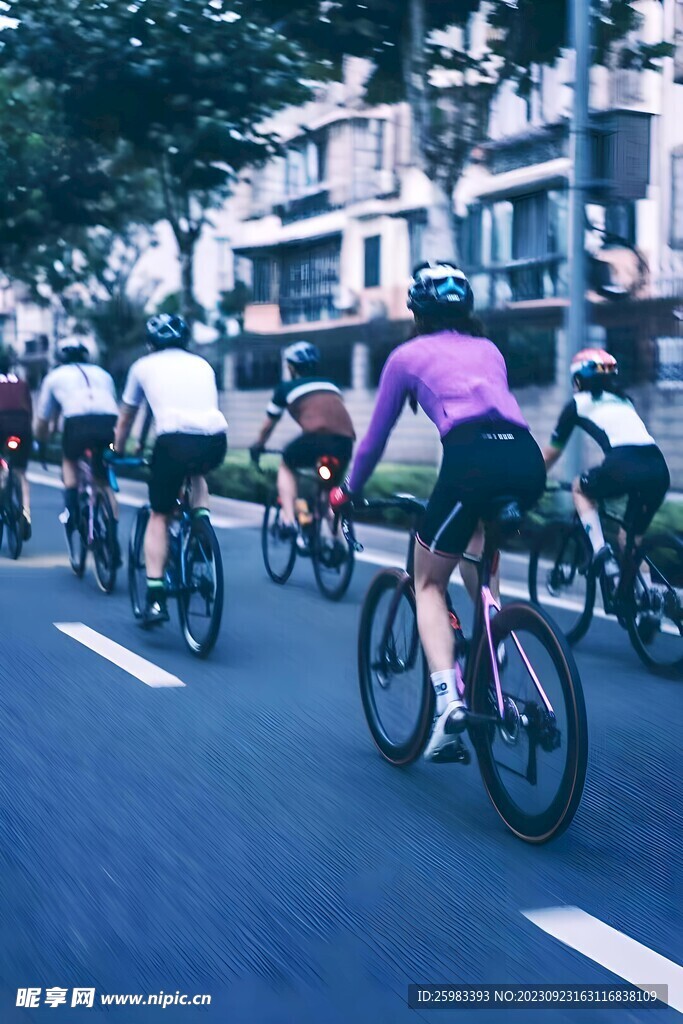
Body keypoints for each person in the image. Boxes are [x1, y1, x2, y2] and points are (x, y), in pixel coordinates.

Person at [330, 262, 546, 762]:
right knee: (476, 546)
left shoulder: (406, 356)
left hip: (471, 460)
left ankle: (448, 707)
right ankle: (498, 631)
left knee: (428, 582)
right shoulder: (489, 349)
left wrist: (347, 491)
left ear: (417, 309)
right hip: (524, 458)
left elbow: (375, 441)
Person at [114, 314, 228, 627]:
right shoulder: (202, 364)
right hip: (215, 441)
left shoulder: (142, 366)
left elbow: (126, 419)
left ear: (151, 344)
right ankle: (202, 525)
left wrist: (118, 450)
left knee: (160, 515)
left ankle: (154, 598)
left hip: (173, 442)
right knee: (196, 473)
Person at [543, 348, 670, 576]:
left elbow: (552, 454)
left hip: (623, 465)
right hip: (658, 468)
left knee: (579, 488)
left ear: (579, 379)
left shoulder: (577, 403)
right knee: (629, 541)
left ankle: (601, 551)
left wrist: (534, 480)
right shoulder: (625, 401)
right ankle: (649, 598)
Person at [249, 340, 355, 536]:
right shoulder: (331, 385)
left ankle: (288, 520)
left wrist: (258, 446)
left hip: (315, 439)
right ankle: (337, 543)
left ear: (290, 366)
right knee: (328, 492)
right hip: (345, 442)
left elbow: (268, 426)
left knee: (287, 464)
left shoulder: (285, 388)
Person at [35, 337, 120, 558]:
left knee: (69, 461)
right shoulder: (103, 374)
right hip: (108, 423)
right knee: (103, 481)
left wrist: (41, 440)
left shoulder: (54, 377)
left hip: (77, 424)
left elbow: (42, 419)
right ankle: (113, 536)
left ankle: (72, 512)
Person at [0, 348, 33, 539]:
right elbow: (30, 410)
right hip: (22, 426)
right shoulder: (22, 383)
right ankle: (25, 512)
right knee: (20, 471)